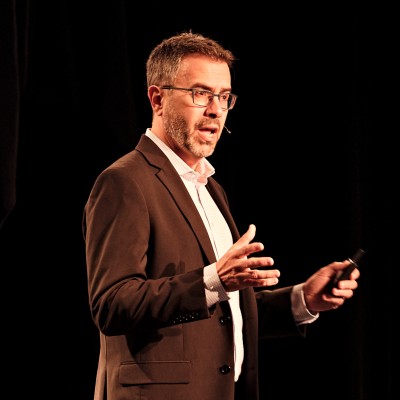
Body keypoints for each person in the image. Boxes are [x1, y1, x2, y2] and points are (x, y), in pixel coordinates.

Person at [82, 31, 360, 400]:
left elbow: (225, 311)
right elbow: (112, 304)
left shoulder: (211, 188)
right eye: (200, 93)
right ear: (158, 99)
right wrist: (214, 279)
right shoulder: (124, 181)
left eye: (224, 96)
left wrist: (302, 299)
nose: (216, 109)